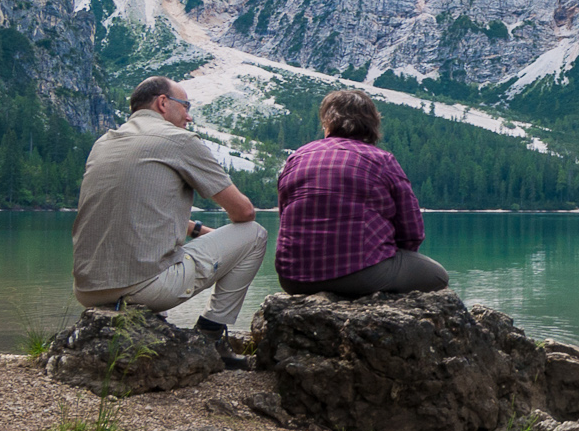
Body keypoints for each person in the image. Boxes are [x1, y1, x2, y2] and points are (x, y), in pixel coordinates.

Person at [73, 76, 267, 363]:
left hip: (86, 289)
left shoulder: (104, 142)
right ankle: (211, 338)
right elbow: (243, 213)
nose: (189, 116)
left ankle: (153, 325)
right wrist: (227, 243)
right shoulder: (179, 140)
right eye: (185, 106)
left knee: (155, 256)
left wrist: (197, 229)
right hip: (143, 288)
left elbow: (131, 210)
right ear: (163, 103)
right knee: (254, 233)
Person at [274, 88, 448, 297]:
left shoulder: (297, 157)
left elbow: (285, 216)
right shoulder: (381, 160)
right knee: (438, 276)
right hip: (362, 275)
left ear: (328, 123)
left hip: (293, 280)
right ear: (372, 124)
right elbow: (412, 231)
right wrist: (392, 254)